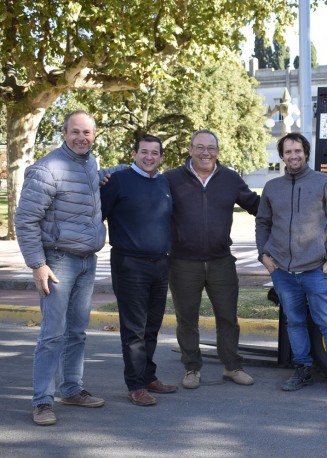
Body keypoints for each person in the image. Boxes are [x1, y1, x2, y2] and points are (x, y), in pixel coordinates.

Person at [15, 111, 108, 426]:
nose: (82, 137)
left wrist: (116, 171)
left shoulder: (91, 164)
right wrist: (37, 264)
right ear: (64, 133)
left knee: (77, 332)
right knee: (52, 334)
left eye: (88, 132)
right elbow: (26, 220)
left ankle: (71, 389)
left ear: (94, 135)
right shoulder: (47, 168)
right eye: (75, 132)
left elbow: (88, 185)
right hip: (57, 262)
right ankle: (42, 401)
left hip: (86, 261)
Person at [255, 132, 327, 398]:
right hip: (283, 271)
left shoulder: (325, 183)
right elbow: (262, 223)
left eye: (297, 151)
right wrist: (264, 256)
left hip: (317, 269)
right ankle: (303, 369)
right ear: (282, 156)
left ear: (306, 153)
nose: (293, 156)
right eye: (288, 152)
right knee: (295, 322)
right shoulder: (272, 187)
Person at [165, 129, 260, 389]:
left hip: (221, 261)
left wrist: (288, 206)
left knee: (228, 317)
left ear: (218, 151)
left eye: (211, 148)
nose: (206, 153)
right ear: (190, 149)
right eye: (200, 147)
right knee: (187, 319)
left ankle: (232, 367)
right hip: (183, 262)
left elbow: (257, 206)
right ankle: (192, 368)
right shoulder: (171, 179)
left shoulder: (230, 178)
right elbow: (150, 205)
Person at [100, 134, 177, 406]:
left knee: (152, 326)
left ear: (160, 157)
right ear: (134, 154)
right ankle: (135, 386)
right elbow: (96, 214)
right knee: (134, 329)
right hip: (129, 263)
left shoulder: (163, 183)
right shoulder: (118, 181)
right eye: (144, 152)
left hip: (160, 263)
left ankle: (148, 376)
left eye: (154, 153)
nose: (149, 157)